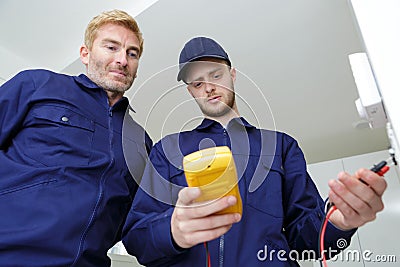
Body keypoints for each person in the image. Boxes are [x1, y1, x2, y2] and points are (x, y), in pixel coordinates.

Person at [122, 37, 387, 266]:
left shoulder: (281, 147)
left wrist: (340, 223)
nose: (209, 88)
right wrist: (172, 231)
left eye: (216, 75)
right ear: (190, 91)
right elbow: (136, 237)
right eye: (198, 83)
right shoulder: (167, 150)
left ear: (232, 74)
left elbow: (308, 239)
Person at [0, 10, 152, 267]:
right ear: (85, 54)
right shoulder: (37, 85)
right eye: (111, 47)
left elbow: (134, 221)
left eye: (132, 53)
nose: (122, 60)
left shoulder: (141, 141)